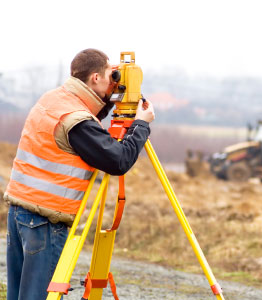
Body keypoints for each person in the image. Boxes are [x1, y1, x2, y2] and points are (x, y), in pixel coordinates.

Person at [4, 48, 155, 300]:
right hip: (45, 221)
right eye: (112, 74)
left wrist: (112, 98)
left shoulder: (54, 99)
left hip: (20, 213)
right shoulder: (76, 120)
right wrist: (141, 124)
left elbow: (88, 122)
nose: (115, 79)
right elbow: (118, 161)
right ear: (95, 78)